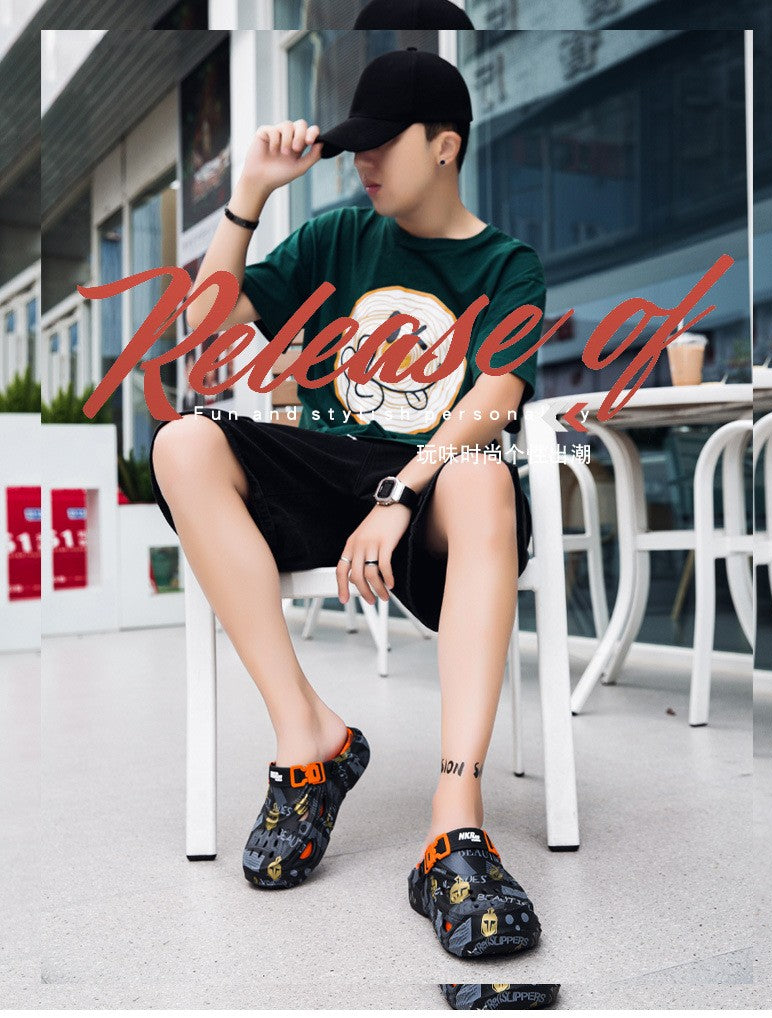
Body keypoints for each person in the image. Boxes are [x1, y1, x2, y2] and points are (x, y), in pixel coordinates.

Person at [149, 47, 547, 961]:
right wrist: (249, 194)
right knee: (183, 442)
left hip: (436, 482)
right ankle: (308, 737)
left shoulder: (506, 265)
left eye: (382, 141)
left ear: (445, 146)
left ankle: (456, 822)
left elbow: (495, 399)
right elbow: (202, 328)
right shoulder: (334, 239)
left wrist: (400, 492)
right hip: (333, 468)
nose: (362, 160)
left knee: (484, 469)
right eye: (354, 143)